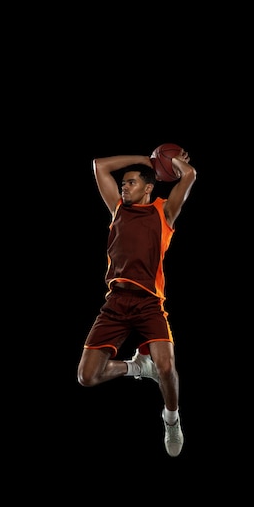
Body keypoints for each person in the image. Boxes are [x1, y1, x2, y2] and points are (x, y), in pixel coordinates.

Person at [77, 148, 196, 457]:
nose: (123, 187)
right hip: (115, 303)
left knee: (168, 368)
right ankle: (137, 367)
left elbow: (190, 174)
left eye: (130, 183)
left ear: (148, 187)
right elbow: (99, 165)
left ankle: (171, 420)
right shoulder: (117, 210)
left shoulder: (163, 212)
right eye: (123, 183)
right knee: (87, 377)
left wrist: (168, 161)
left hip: (149, 303)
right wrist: (145, 161)